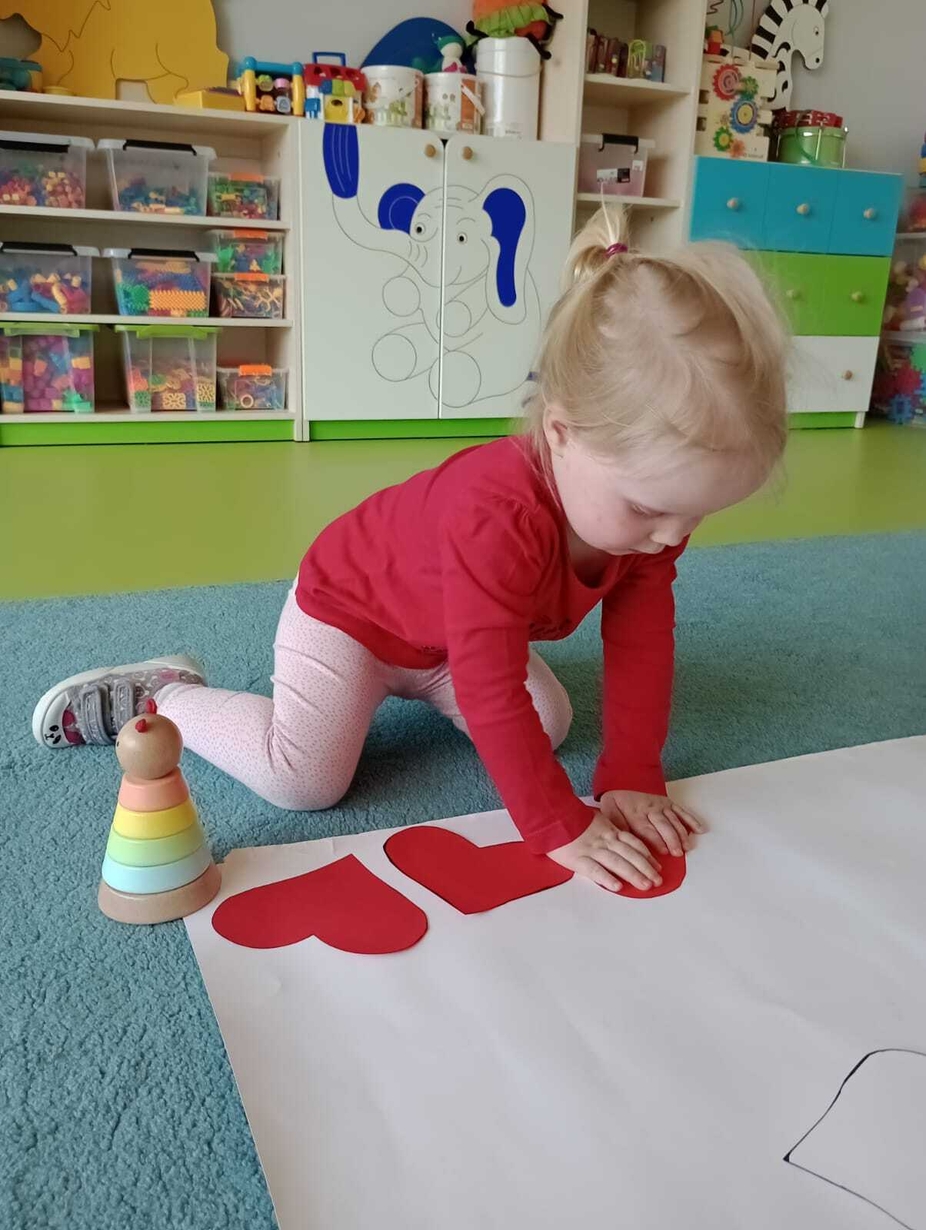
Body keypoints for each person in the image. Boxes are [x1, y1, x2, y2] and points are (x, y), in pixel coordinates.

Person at [32, 207, 789, 893]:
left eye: (697, 513)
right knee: (304, 781)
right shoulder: (495, 517)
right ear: (561, 433)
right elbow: (490, 688)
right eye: (651, 509)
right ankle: (164, 695)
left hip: (446, 641)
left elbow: (642, 641)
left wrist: (632, 769)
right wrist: (556, 825)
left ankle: (405, 689)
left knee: (550, 724)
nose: (673, 537)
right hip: (350, 618)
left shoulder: (649, 518)